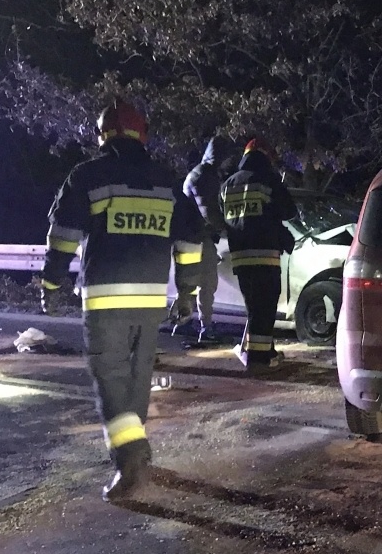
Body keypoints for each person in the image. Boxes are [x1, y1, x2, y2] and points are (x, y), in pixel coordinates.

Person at [40, 99, 203, 502]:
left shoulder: (90, 176)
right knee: (136, 379)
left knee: (111, 378)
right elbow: (189, 241)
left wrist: (51, 284)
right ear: (142, 134)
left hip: (105, 301)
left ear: (104, 135)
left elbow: (63, 235)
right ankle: (136, 453)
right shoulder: (167, 181)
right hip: (150, 302)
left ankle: (130, 458)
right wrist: (187, 292)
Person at [219, 137, 297, 369]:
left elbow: (222, 217)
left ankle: (264, 352)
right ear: (264, 155)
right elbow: (289, 211)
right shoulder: (268, 179)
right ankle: (259, 360)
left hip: (241, 257)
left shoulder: (227, 185)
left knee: (255, 309)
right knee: (264, 309)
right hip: (265, 254)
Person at [180, 136, 234, 342]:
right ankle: (201, 326)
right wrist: (227, 229)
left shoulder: (202, 173)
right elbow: (209, 212)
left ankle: (187, 323)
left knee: (194, 283)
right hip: (197, 238)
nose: (230, 162)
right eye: (228, 157)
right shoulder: (205, 175)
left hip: (191, 238)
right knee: (204, 283)